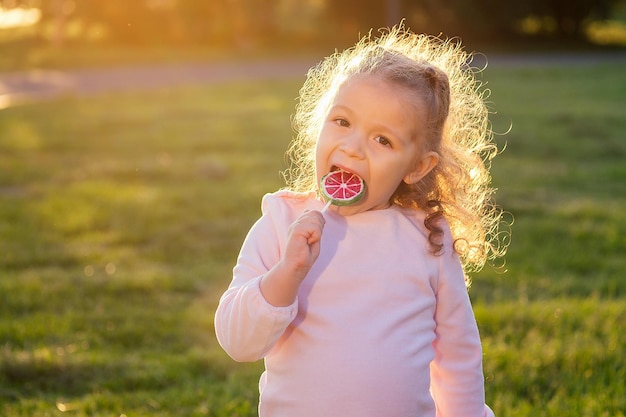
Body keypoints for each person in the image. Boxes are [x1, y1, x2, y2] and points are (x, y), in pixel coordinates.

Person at [214, 24, 507, 417]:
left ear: (417, 166)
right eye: (342, 122)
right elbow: (238, 340)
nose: (352, 148)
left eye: (382, 140)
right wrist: (287, 273)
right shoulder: (282, 220)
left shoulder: (427, 238)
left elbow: (458, 356)